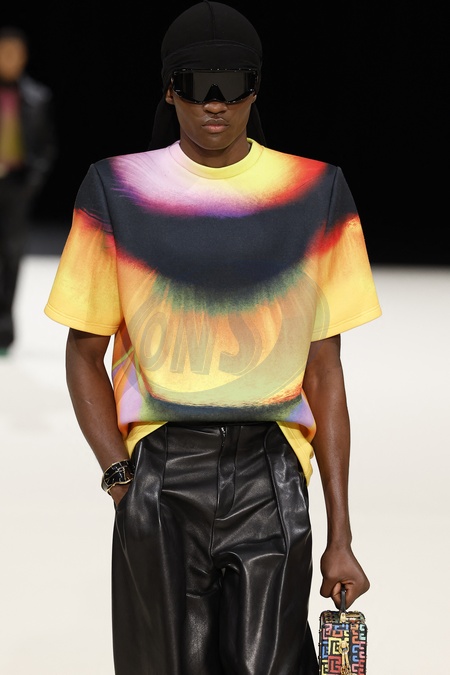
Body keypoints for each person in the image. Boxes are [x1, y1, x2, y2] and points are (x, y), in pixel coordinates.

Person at [44, 2, 382, 673]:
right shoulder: (116, 189)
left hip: (271, 474)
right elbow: (83, 351)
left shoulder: (317, 191)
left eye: (233, 83)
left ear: (256, 88)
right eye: (198, 84)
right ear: (171, 90)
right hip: (162, 474)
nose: (216, 102)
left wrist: (340, 535)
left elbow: (325, 370)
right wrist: (121, 478)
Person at [0, 25, 57, 354]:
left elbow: (46, 147)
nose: (9, 58)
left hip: (16, 186)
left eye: (14, 52)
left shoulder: (37, 97)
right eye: (4, 52)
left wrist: (31, 184)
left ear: (23, 56)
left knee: (11, 256)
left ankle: (4, 330)